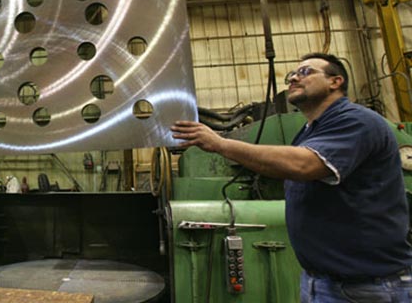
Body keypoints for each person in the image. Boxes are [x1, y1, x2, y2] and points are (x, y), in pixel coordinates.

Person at [171, 52, 412, 302]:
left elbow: (305, 165)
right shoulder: (311, 130)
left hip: (367, 287)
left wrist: (221, 144)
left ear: (335, 81)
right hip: (322, 281)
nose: (294, 78)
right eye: (292, 75)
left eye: (306, 72)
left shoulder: (356, 120)